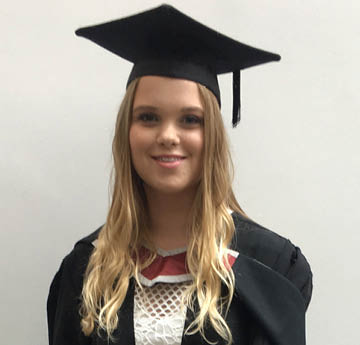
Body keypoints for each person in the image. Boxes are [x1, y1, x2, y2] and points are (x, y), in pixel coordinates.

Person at [47, 4, 313, 345]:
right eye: (148, 117)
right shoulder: (86, 270)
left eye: (190, 119)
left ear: (213, 135)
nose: (168, 136)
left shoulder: (272, 267)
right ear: (126, 132)